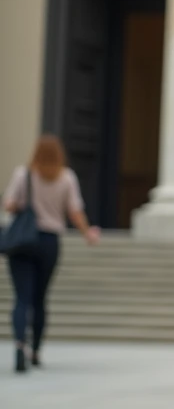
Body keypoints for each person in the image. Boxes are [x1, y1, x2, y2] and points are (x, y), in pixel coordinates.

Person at [2, 135, 100, 373]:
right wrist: (87, 233)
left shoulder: (23, 175)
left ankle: (18, 345)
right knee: (40, 298)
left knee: (22, 297)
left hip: (22, 241)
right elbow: (75, 211)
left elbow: (9, 204)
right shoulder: (66, 178)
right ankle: (35, 350)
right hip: (48, 242)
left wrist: (24, 204)